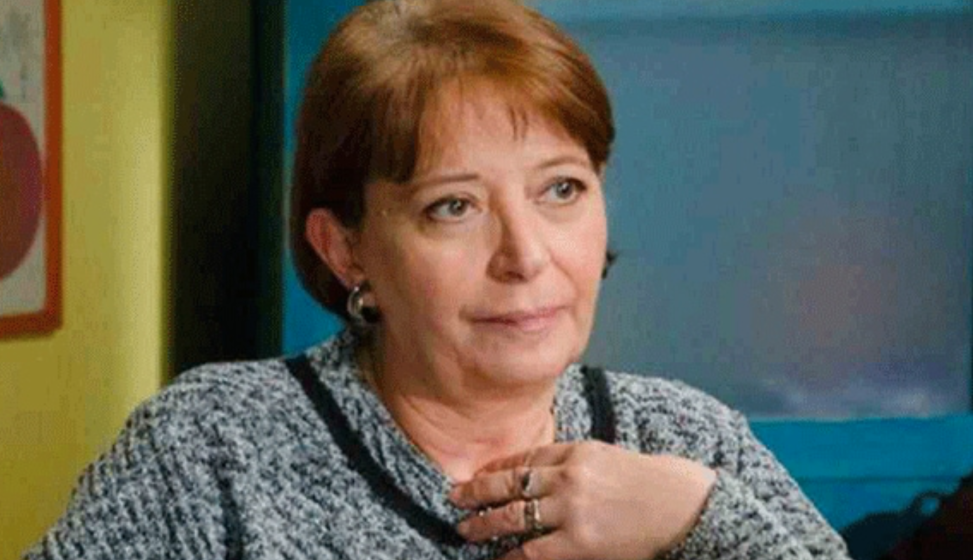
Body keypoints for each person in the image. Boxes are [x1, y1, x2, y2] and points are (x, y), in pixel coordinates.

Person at [25, 0, 851, 558]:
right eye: (453, 206)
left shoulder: (686, 443)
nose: (526, 255)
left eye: (562, 190)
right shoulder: (212, 449)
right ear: (347, 250)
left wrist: (696, 521)